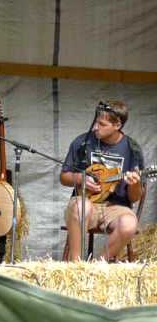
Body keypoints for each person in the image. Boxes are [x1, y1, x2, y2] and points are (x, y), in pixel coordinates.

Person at [60, 100, 143, 261]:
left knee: (129, 224)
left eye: (101, 124)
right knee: (80, 207)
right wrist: (80, 178)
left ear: (117, 124)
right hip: (85, 202)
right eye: (96, 122)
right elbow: (64, 177)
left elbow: (134, 198)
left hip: (116, 207)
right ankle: (76, 265)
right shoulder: (83, 142)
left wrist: (135, 183)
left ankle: (99, 267)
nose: (95, 127)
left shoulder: (133, 149)